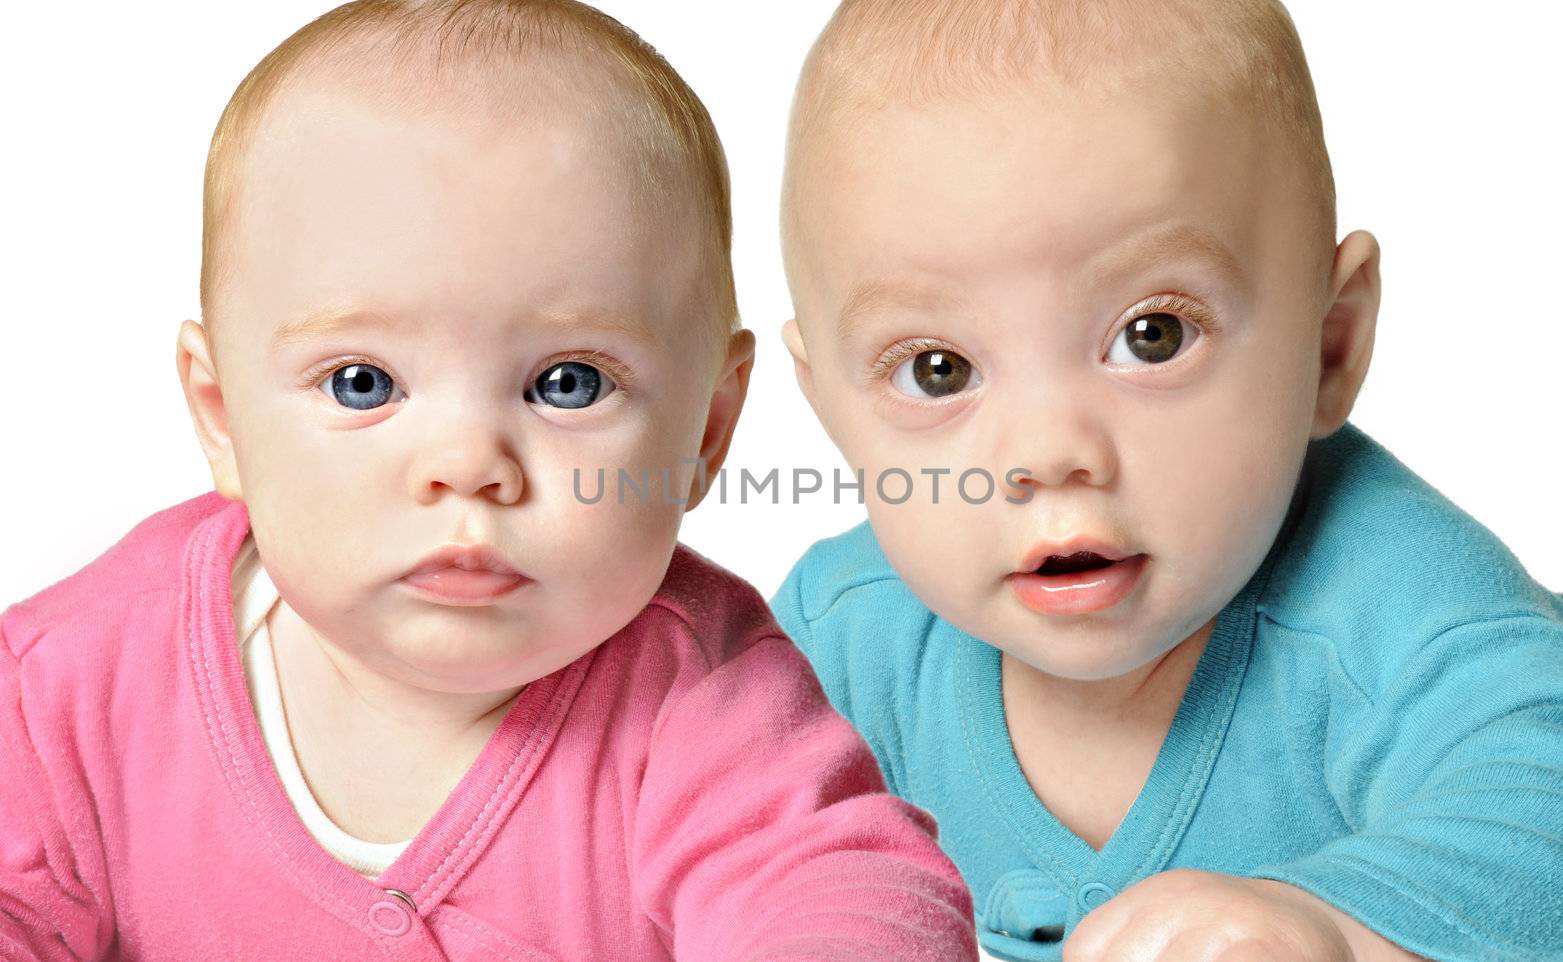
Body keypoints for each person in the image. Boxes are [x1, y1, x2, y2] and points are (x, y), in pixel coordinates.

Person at [0, 2, 978, 958]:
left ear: (708, 428)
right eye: (363, 383)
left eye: (567, 383)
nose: (469, 465)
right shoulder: (71, 688)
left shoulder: (699, 698)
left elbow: (840, 888)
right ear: (222, 417)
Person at [769, 2, 1563, 960]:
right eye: (938, 370)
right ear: (829, 406)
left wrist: (1325, 929)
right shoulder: (843, 646)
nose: (1046, 452)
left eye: (1151, 336)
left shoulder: (1402, 613)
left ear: (1327, 348)